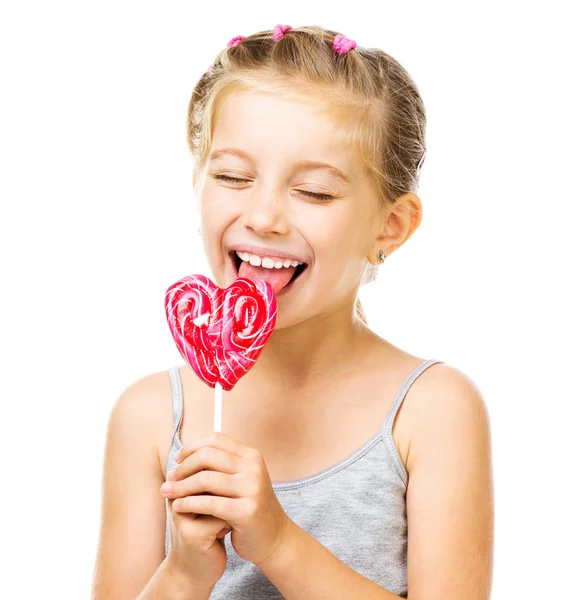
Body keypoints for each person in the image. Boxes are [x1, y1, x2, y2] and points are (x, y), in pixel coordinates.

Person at [92, 24, 494, 600]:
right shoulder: (152, 418)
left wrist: (279, 543)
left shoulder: (431, 411)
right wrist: (183, 572)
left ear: (390, 225)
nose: (264, 217)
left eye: (314, 192)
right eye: (232, 176)